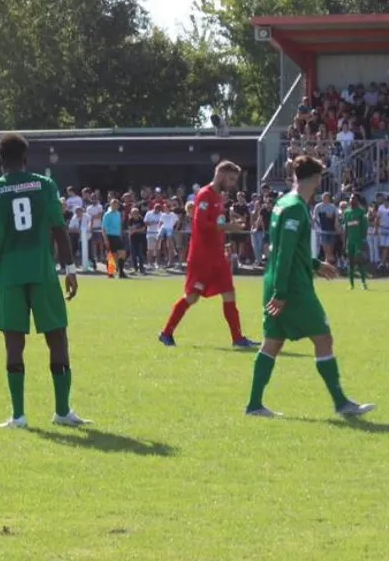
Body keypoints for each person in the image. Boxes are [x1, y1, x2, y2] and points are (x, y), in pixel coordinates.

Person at [245, 155, 374, 418]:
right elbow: (284, 253)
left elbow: (278, 247)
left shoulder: (283, 203)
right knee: (323, 337)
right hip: (291, 286)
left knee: (273, 342)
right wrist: (282, 293)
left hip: (276, 280)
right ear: (315, 179)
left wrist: (315, 264)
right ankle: (341, 404)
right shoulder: (295, 207)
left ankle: (254, 405)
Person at [0, 132, 90, 429]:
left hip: (10, 275)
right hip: (43, 272)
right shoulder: (45, 185)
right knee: (57, 339)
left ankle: (18, 416)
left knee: (14, 345)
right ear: (26, 159)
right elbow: (59, 229)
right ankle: (63, 411)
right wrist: (70, 269)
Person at [158, 161, 260, 349]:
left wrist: (229, 223)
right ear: (220, 175)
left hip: (217, 255)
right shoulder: (205, 195)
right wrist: (229, 227)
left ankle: (238, 339)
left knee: (229, 293)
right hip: (202, 257)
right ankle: (166, 333)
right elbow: (202, 225)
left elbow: (216, 222)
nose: (232, 184)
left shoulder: (218, 197)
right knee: (192, 297)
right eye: (230, 179)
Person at [342, 193, 369, 290]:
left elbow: (364, 229)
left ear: (357, 200)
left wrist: (362, 242)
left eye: (353, 198)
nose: (351, 199)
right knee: (351, 262)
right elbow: (346, 229)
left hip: (358, 241)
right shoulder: (347, 212)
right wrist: (344, 243)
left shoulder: (361, 213)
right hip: (350, 242)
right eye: (350, 198)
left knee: (359, 261)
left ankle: (363, 282)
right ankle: (351, 284)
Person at [102, 198, 127, 279]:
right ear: (111, 205)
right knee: (111, 255)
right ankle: (110, 272)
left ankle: (121, 272)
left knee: (122, 253)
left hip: (117, 236)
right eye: (113, 204)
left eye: (116, 204)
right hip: (110, 236)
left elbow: (119, 225)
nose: (115, 206)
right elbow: (104, 228)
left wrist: (120, 235)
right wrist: (105, 239)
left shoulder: (118, 213)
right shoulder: (107, 214)